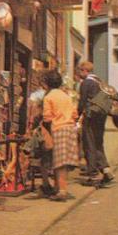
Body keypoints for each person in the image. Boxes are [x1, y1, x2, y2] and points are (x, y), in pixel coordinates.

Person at [42, 70, 79, 201]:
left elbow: (47, 117)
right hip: (71, 128)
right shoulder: (66, 95)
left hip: (58, 128)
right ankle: (58, 188)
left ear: (46, 83)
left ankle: (62, 190)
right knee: (64, 161)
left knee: (59, 163)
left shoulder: (48, 97)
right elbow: (75, 114)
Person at [77, 61, 114, 186]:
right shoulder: (100, 82)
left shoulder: (86, 83)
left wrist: (77, 116)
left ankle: (92, 175)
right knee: (98, 143)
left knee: (89, 144)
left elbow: (82, 102)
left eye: (79, 70)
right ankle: (106, 170)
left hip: (90, 116)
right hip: (101, 116)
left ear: (84, 70)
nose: (78, 73)